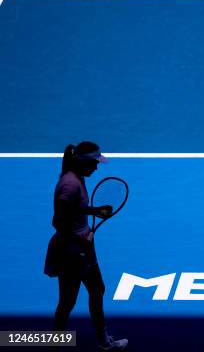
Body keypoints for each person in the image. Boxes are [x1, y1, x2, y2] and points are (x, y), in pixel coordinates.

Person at [44, 142, 128, 351]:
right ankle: (91, 341)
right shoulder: (70, 185)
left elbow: (74, 209)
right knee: (69, 300)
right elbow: (59, 221)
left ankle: (101, 339)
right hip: (73, 250)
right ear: (83, 162)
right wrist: (79, 240)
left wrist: (94, 211)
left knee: (95, 290)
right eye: (94, 163)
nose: (97, 167)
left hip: (80, 246)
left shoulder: (76, 177)